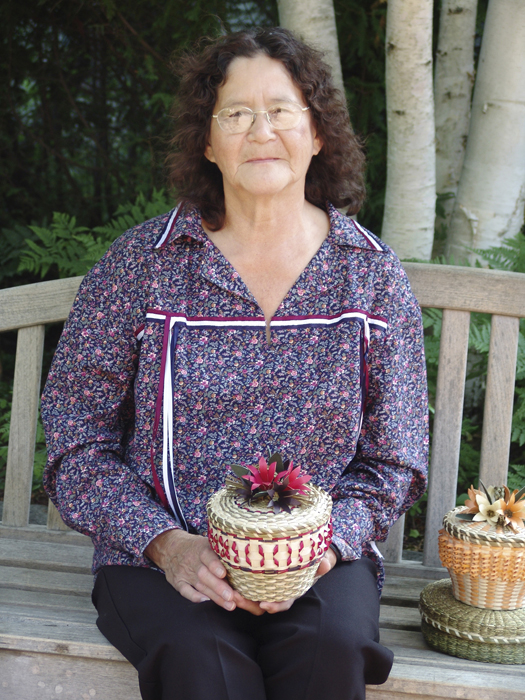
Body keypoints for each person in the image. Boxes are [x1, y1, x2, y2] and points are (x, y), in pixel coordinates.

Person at [41, 27, 428, 700]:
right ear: (207, 141)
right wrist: (165, 544)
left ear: (315, 135)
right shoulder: (143, 265)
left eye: (281, 110)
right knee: (201, 662)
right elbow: (76, 441)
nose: (260, 131)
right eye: (236, 114)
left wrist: (321, 548)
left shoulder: (369, 275)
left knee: (328, 650)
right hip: (160, 553)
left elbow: (394, 457)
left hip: (319, 560)